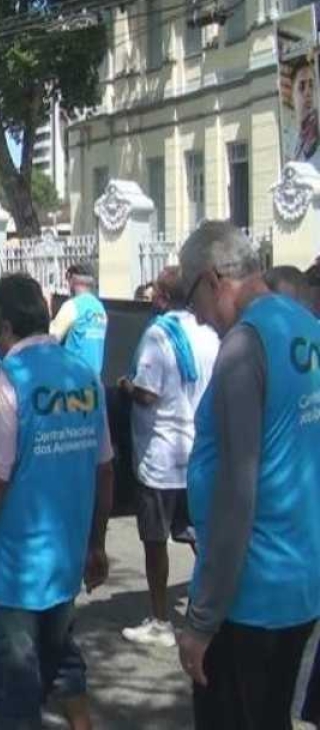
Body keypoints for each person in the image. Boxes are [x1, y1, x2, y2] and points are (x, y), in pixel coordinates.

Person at [0, 273, 114, 730]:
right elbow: (105, 469)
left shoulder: (10, 381)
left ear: (3, 325)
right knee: (62, 662)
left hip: (14, 572)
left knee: (11, 698)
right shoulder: (83, 376)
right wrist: (96, 544)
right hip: (63, 562)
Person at [175, 221, 320, 729]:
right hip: (299, 584)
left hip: (248, 599)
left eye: (189, 296)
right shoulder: (307, 329)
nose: (192, 315)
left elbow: (238, 492)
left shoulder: (245, 346)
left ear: (215, 279)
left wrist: (201, 619)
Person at [117, 267, 219, 649]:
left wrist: (126, 386)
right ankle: (213, 605)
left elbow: (147, 393)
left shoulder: (158, 335)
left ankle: (161, 620)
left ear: (160, 297)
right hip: (199, 452)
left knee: (155, 541)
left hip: (160, 456)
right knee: (201, 535)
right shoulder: (208, 332)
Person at [51, 264, 109, 376]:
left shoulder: (72, 306)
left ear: (72, 281)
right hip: (94, 380)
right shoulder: (100, 308)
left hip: (73, 380)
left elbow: (50, 339)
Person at [291, 57, 319, 163]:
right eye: (302, 86)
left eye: (311, 85)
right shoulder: (293, 144)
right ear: (292, 96)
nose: (308, 93)